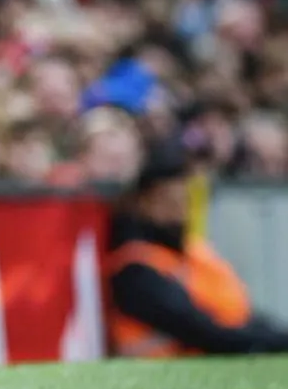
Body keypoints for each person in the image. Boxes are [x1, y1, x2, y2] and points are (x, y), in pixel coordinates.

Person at [106, 139, 288, 357]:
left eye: (184, 201)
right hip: (163, 370)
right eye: (169, 202)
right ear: (143, 202)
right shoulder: (135, 268)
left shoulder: (192, 251)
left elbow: (239, 315)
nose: (179, 212)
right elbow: (200, 329)